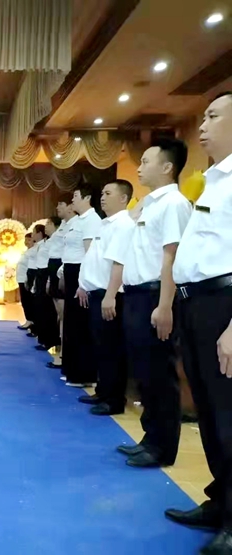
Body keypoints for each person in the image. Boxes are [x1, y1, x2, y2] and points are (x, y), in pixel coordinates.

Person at [165, 92, 232, 552]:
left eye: (212, 116)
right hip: (196, 305)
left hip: (223, 306)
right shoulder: (212, 181)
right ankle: (220, 500)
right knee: (208, 410)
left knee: (228, 413)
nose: (202, 125)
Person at [118, 138, 191, 468]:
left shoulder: (173, 203)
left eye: (146, 161)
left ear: (167, 167)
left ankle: (163, 447)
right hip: (137, 295)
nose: (139, 167)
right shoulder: (149, 204)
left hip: (155, 295)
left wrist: (164, 306)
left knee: (160, 373)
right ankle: (150, 437)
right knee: (144, 371)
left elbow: (171, 256)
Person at [75, 180, 135, 415]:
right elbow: (93, 259)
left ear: (123, 198)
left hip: (110, 294)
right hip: (97, 292)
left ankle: (114, 400)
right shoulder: (105, 224)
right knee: (101, 346)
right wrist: (83, 284)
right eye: (102, 193)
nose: (102, 197)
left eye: (108, 193)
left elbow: (119, 263)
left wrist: (110, 295)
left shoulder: (123, 224)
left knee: (112, 349)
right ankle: (103, 390)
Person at [61, 184, 102, 388]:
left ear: (87, 198)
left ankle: (84, 374)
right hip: (71, 272)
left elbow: (89, 254)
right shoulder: (76, 220)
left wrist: (83, 282)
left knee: (80, 324)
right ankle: (71, 370)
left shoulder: (92, 220)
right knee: (71, 323)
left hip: (81, 274)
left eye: (76, 196)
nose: (72, 200)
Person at [46, 195, 74, 368]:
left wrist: (60, 272)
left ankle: (65, 352)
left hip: (62, 268)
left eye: (61, 204)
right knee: (60, 314)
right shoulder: (64, 224)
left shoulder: (74, 224)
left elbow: (67, 252)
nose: (58, 208)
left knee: (65, 315)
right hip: (55, 268)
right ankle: (62, 350)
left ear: (70, 206)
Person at [34, 221, 60, 352]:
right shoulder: (46, 242)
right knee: (41, 308)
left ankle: (50, 340)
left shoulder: (56, 240)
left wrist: (49, 278)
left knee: (48, 308)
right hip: (40, 273)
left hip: (47, 274)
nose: (46, 227)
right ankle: (42, 338)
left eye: (49, 224)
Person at [16, 233, 35, 331]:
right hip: (21, 279)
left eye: (29, 240)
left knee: (28, 301)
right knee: (24, 301)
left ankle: (31, 320)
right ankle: (28, 319)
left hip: (26, 280)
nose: (26, 242)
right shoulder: (26, 252)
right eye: (25, 240)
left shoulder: (33, 252)